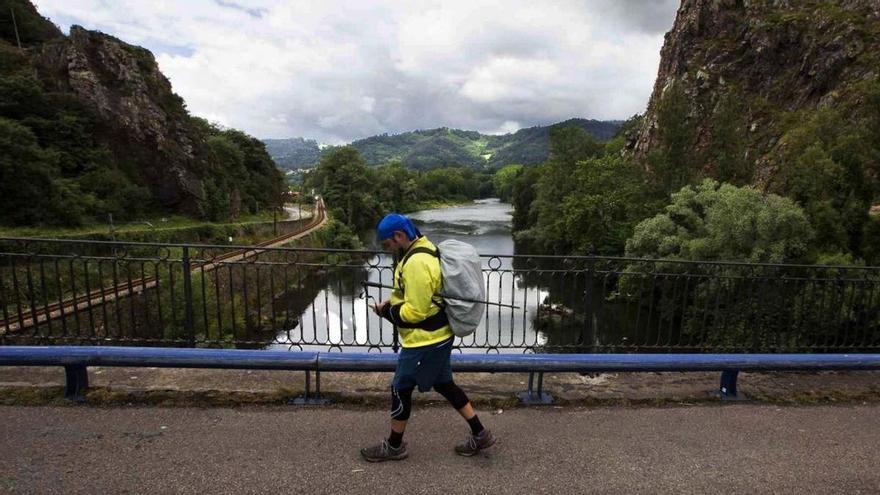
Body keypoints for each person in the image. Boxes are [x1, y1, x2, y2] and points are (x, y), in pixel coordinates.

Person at [360, 213, 496, 462]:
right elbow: (419, 295)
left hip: (424, 340)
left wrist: (386, 311)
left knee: (400, 388)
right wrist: (394, 301)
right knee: (444, 383)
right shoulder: (423, 248)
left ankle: (394, 446)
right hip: (438, 336)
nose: (388, 250)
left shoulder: (417, 263)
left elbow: (415, 312)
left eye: (388, 244)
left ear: (399, 236)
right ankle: (480, 433)